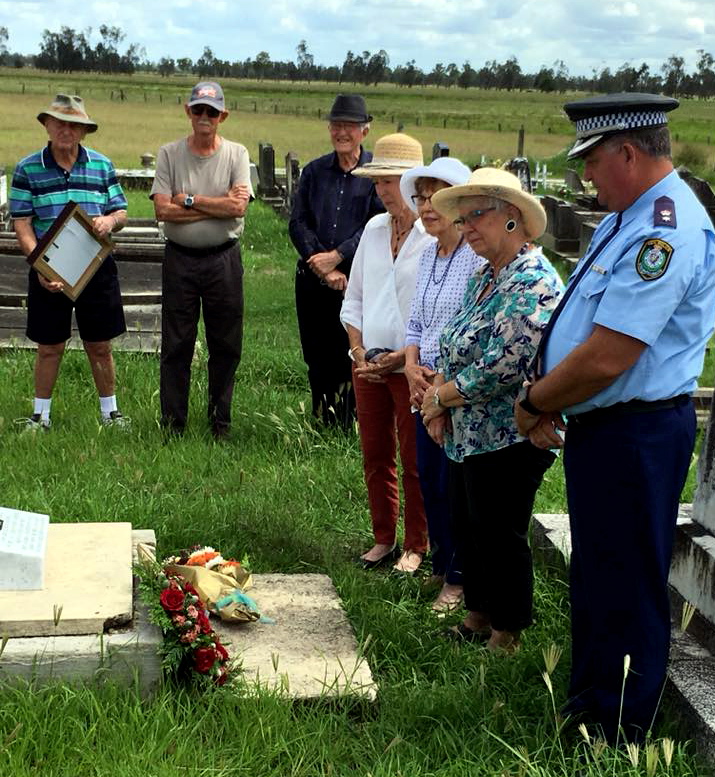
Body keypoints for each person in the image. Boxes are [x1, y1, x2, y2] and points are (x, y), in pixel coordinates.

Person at [515, 94, 715, 743]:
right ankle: (589, 705)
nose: (585, 179)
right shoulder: (626, 218)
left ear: (626, 152)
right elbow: (578, 325)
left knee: (625, 580)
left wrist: (537, 401)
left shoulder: (664, 228)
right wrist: (544, 391)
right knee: (600, 571)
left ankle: (617, 727)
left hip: (637, 432)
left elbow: (607, 355)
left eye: (592, 162)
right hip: (608, 429)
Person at [421, 168, 563, 651]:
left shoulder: (534, 280)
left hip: (508, 434)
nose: (467, 229)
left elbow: (503, 365)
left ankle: (508, 632)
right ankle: (477, 617)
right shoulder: (485, 275)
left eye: (476, 216)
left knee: (500, 533)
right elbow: (452, 340)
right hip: (468, 432)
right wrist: (438, 400)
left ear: (512, 218)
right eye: (462, 221)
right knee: (469, 525)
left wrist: (439, 397)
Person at [340, 133, 433, 574]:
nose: (382, 191)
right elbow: (354, 298)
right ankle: (383, 537)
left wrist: (401, 359)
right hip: (368, 362)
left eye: (389, 182)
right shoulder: (375, 230)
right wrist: (358, 350)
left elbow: (435, 312)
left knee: (414, 458)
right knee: (375, 453)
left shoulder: (431, 238)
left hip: (410, 365)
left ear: (414, 184)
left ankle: (418, 543)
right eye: (377, 183)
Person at [10, 93, 129, 430]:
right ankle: (40, 416)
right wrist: (39, 264)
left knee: (100, 344)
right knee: (50, 346)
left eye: (74, 124)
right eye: (59, 122)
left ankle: (110, 414)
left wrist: (109, 222)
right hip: (49, 268)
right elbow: (22, 223)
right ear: (46, 125)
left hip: (96, 267)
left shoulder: (102, 165)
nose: (66, 129)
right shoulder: (27, 169)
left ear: (84, 131)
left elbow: (120, 211)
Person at [400, 157, 484, 611]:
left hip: (452, 389)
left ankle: (459, 579)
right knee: (428, 480)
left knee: (455, 488)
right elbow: (415, 321)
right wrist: (412, 367)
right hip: (421, 386)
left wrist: (437, 384)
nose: (426, 206)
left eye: (435, 197)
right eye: (420, 196)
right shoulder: (429, 251)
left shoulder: (476, 254)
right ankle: (439, 564)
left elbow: (469, 326)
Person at [151, 81, 252, 439]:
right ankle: (173, 424)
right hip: (180, 260)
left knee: (225, 344)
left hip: (222, 260)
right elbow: (163, 210)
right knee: (176, 344)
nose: (204, 117)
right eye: (198, 110)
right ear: (188, 111)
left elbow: (238, 207)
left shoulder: (237, 154)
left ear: (222, 115)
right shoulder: (169, 154)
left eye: (212, 111)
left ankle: (219, 422)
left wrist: (189, 200)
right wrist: (216, 206)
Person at [289, 94, 384, 430]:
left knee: (353, 350)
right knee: (317, 352)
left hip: (357, 279)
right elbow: (298, 222)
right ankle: (322, 417)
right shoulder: (315, 172)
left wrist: (338, 257)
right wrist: (320, 263)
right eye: (337, 125)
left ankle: (350, 422)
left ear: (364, 130)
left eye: (350, 126)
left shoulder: (376, 174)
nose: (342, 132)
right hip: (314, 279)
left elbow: (376, 224)